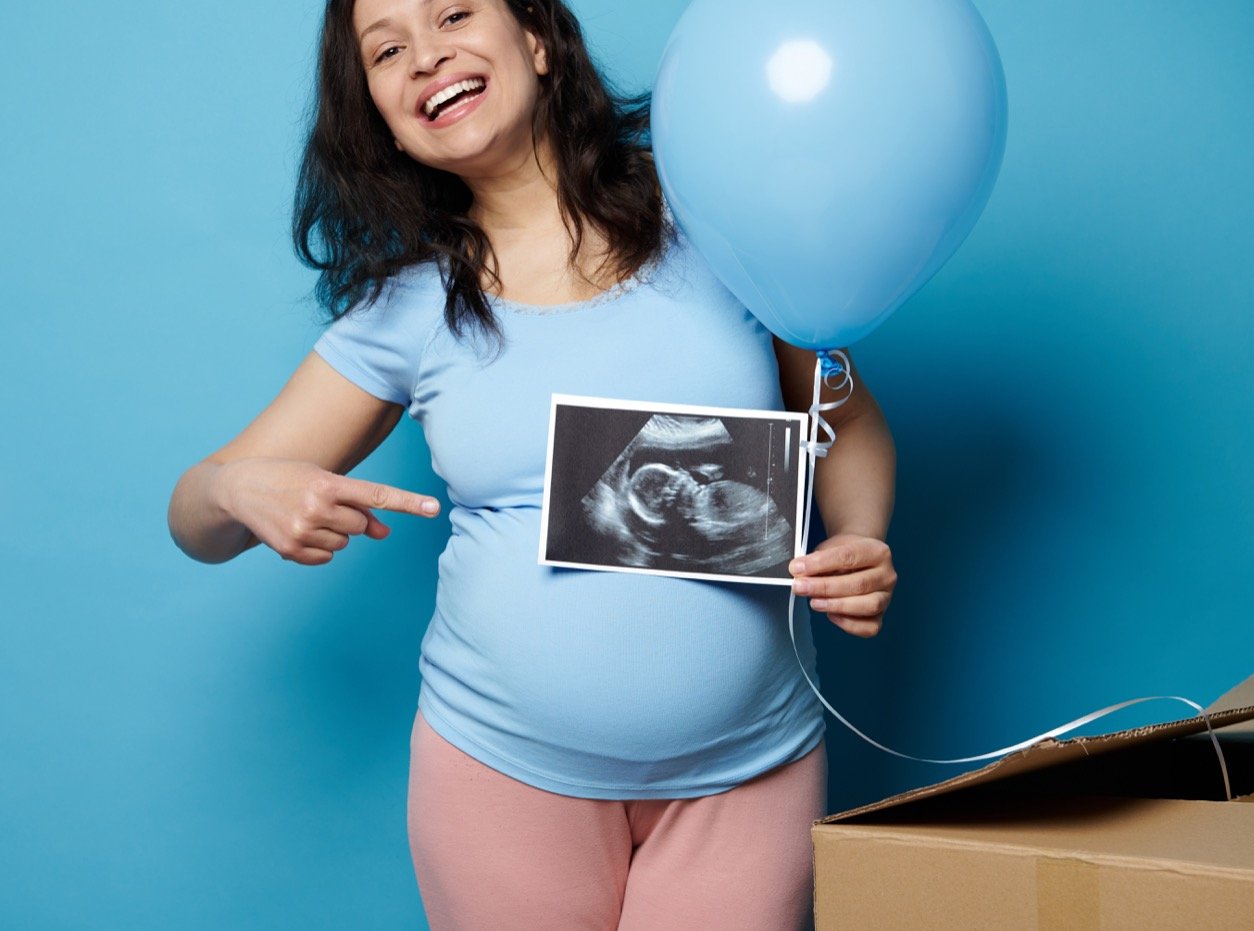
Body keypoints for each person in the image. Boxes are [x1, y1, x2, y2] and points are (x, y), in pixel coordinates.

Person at [168, 1, 897, 928]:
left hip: (748, 775)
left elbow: (852, 421)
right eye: (387, 51)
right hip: (501, 779)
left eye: (455, 13)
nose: (427, 55)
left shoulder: (720, 222)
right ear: (380, 115)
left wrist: (863, 533)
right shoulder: (410, 307)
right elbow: (194, 515)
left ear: (540, 40)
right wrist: (237, 486)